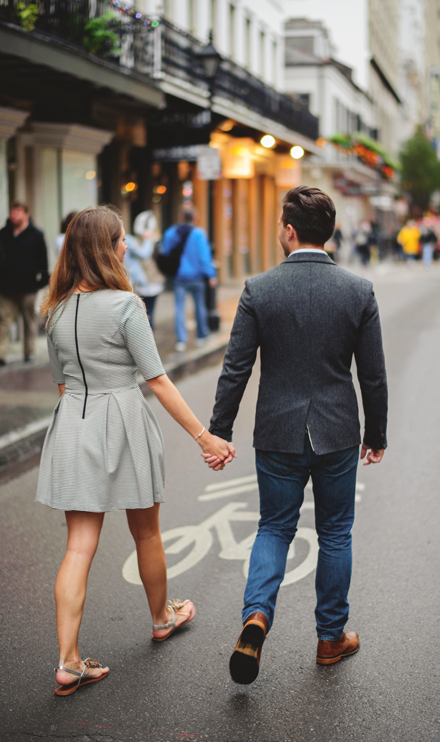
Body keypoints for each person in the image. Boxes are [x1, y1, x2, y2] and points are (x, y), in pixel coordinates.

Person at [35, 205, 234, 697]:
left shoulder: (55, 310)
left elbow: (62, 386)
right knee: (146, 532)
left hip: (73, 424)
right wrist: (204, 437)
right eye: (121, 240)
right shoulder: (126, 306)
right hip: (123, 420)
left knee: (78, 546)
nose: (126, 246)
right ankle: (162, 617)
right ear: (107, 248)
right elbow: (158, 381)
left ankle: (67, 662)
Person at [207, 186, 387, 685]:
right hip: (337, 432)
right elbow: (372, 375)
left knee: (274, 528)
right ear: (327, 233)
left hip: (278, 433)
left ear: (289, 231)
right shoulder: (358, 291)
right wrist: (377, 434)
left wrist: (219, 431)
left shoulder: (258, 289)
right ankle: (331, 639)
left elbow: (235, 369)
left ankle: (256, 617)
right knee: (334, 532)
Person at [0, 202, 50, 363]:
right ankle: (0, 354)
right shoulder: (3, 234)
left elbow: (43, 260)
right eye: (12, 212)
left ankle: (29, 352)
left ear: (26, 214)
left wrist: (42, 281)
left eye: (18, 212)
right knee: (3, 321)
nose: (14, 215)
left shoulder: (36, 235)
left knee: (29, 322)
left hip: (28, 286)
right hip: (5, 287)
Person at [161, 208, 217, 352]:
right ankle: (201, 336)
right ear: (195, 218)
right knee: (200, 306)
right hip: (197, 277)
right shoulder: (199, 234)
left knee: (179, 308)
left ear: (181, 217)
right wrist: (210, 275)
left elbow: (166, 252)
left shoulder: (171, 233)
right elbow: (205, 257)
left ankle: (181, 340)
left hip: (179, 276)